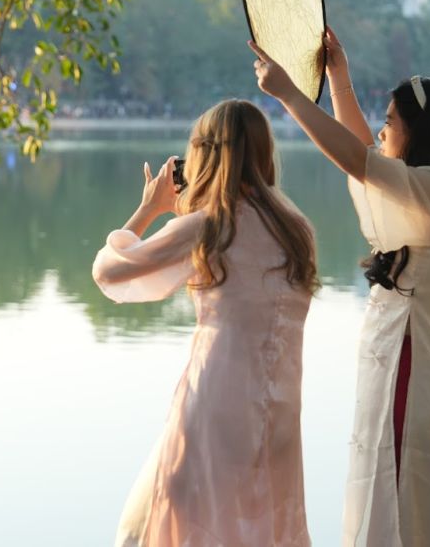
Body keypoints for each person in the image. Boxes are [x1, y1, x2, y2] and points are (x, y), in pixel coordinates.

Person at [250, 29, 430, 546]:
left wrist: (288, 94)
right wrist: (337, 77)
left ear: (417, 131)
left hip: (411, 368)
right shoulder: (429, 186)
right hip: (406, 360)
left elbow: (357, 160)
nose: (382, 130)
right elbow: (365, 155)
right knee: (390, 488)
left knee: (401, 495)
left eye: (391, 122)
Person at [92, 100, 319, 546]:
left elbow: (110, 274)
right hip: (279, 415)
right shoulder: (297, 229)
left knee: (154, 525)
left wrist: (149, 209)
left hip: (214, 407)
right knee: (258, 528)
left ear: (207, 154)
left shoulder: (208, 228)